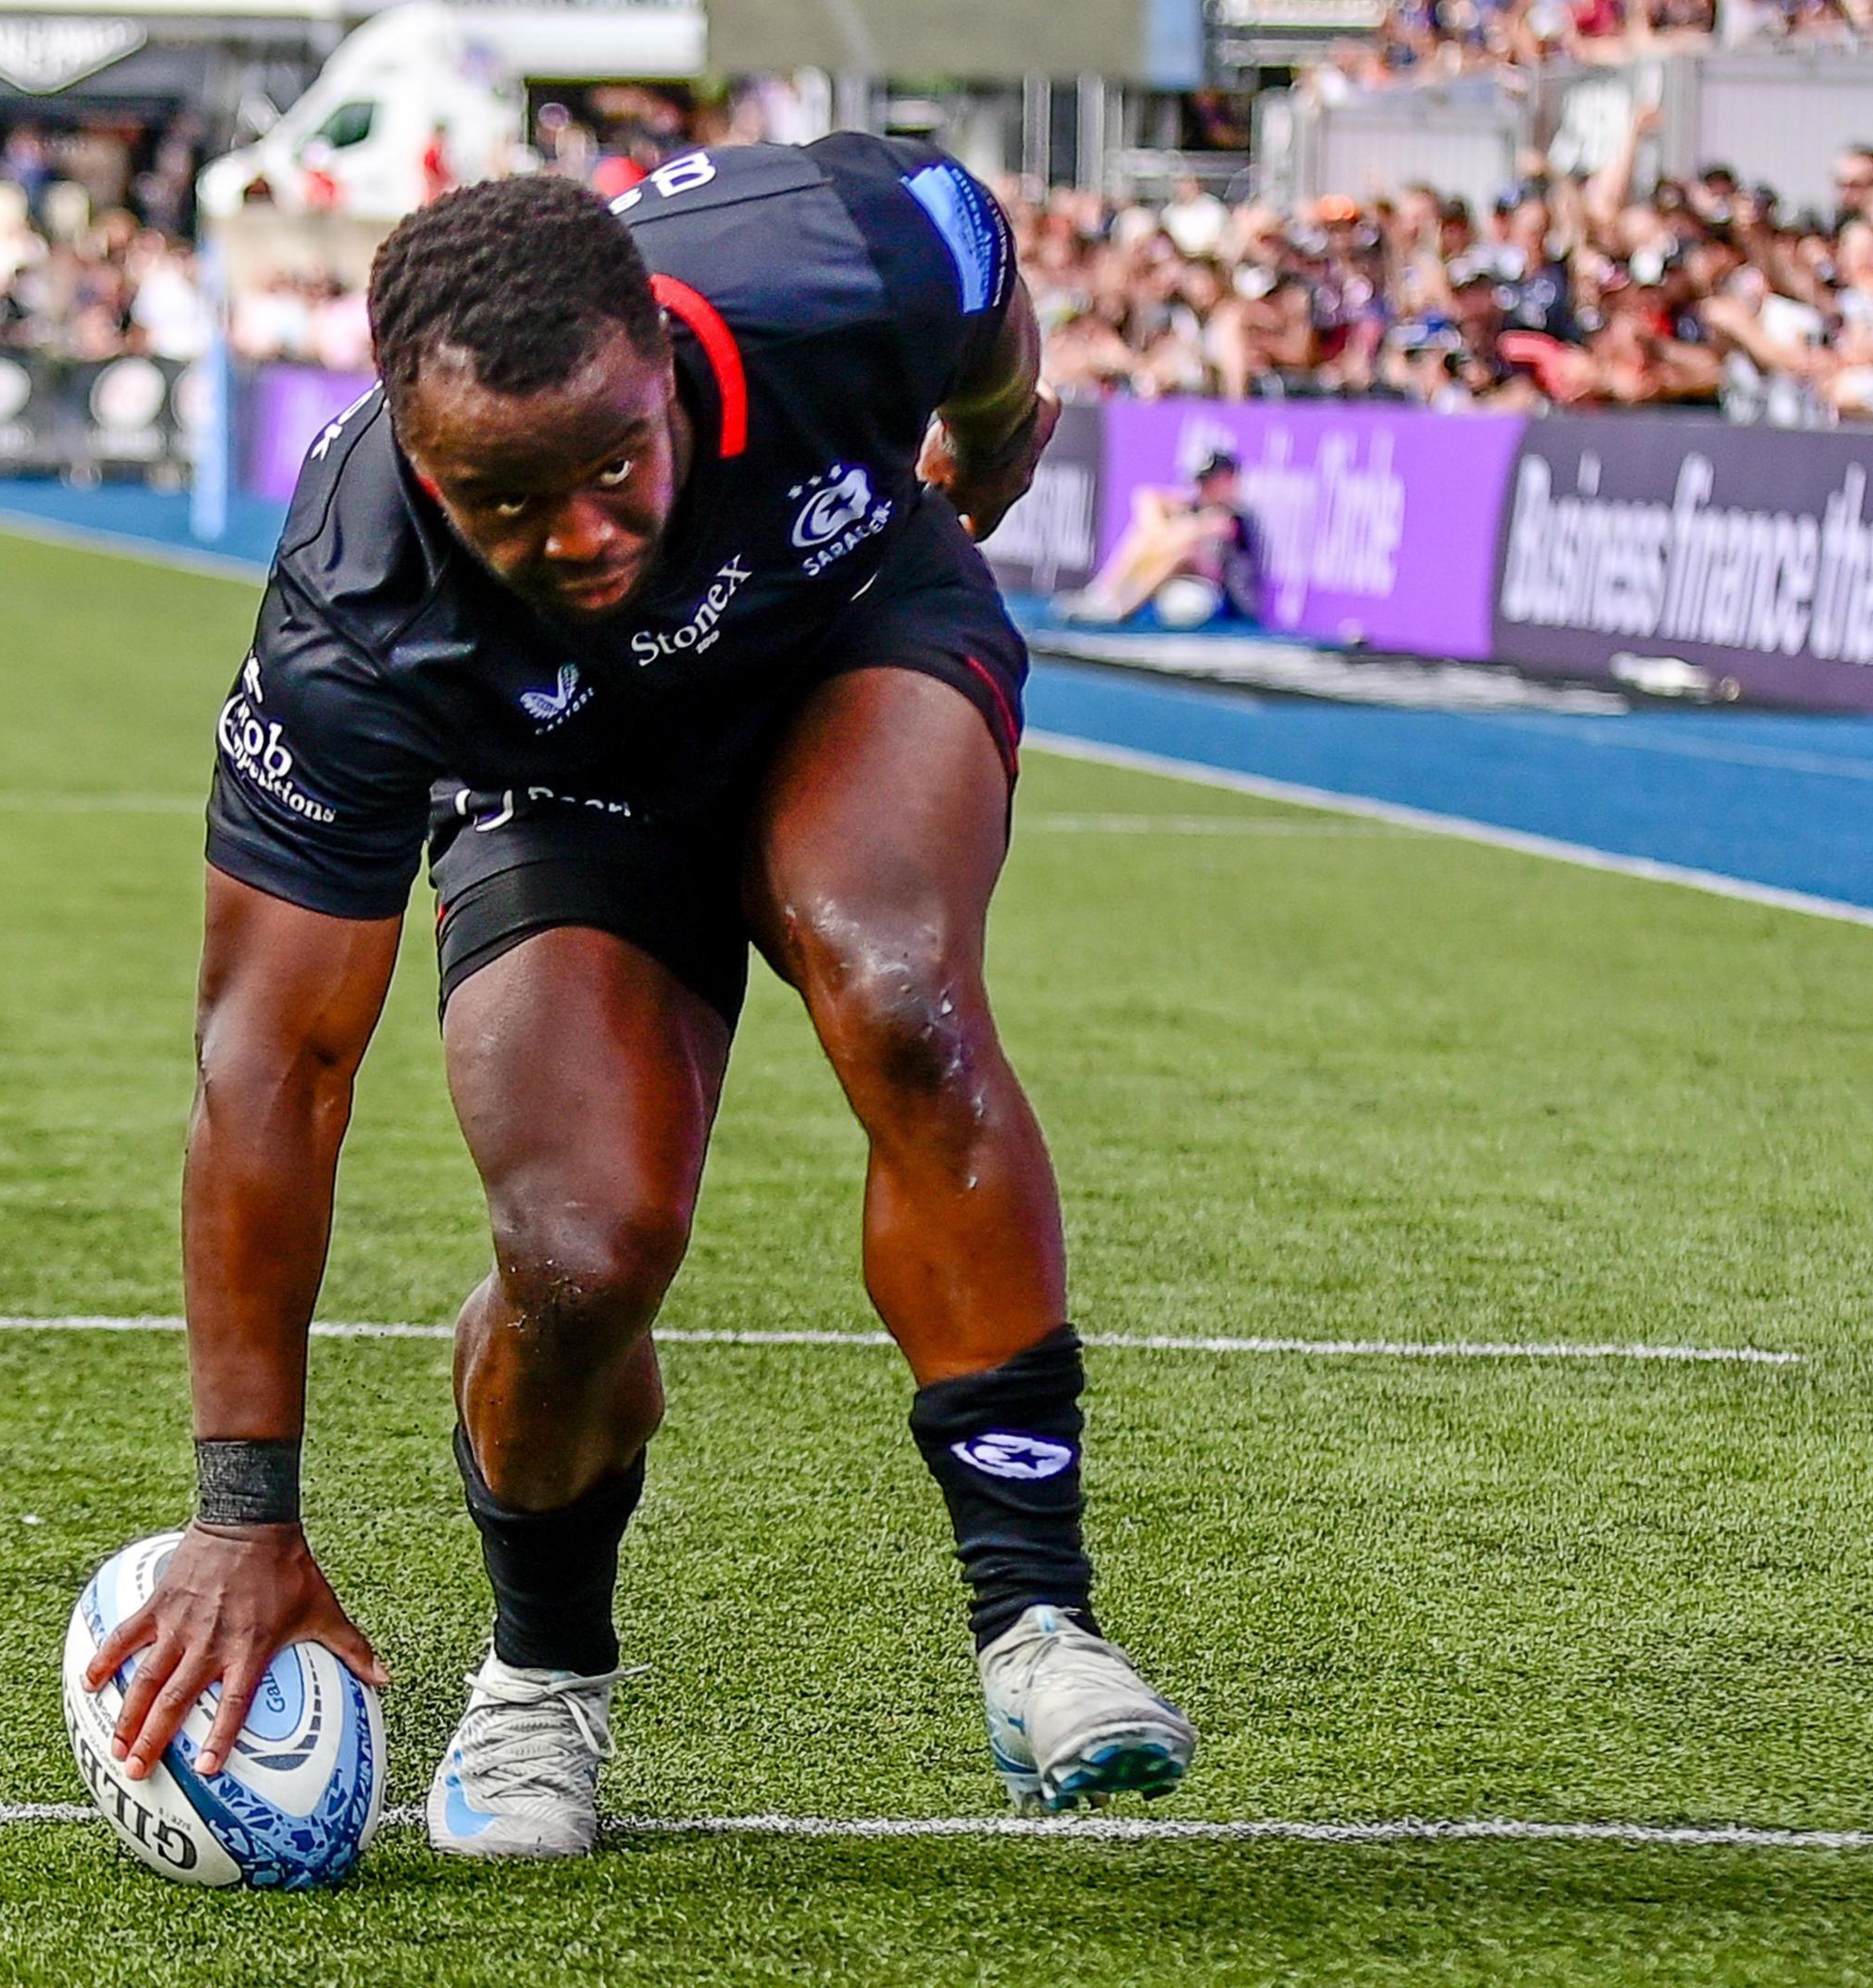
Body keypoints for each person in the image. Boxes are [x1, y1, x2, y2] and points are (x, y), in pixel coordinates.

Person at [79, 143, 1198, 1860]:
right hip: (560, 785)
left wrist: (986, 434)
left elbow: (980, 277)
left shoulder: (832, 259)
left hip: (847, 643)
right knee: (584, 1248)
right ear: (415, 450)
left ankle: (1037, 1621)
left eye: (617, 463)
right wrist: (244, 1514)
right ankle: (542, 1674)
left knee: (893, 972)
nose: (583, 534)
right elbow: (269, 1068)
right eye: (506, 501)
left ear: (668, 364)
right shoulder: (354, 617)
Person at [1056, 452, 1264, 628]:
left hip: (1217, 599)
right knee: (1145, 537)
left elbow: (1214, 569)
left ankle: (1121, 611)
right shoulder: (1195, 508)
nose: (1203, 489)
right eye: (1202, 482)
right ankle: (1102, 595)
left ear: (1228, 480)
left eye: (1210, 482)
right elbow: (1147, 497)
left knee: (1181, 551)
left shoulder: (1232, 517)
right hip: (1177, 585)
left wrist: (1165, 535)